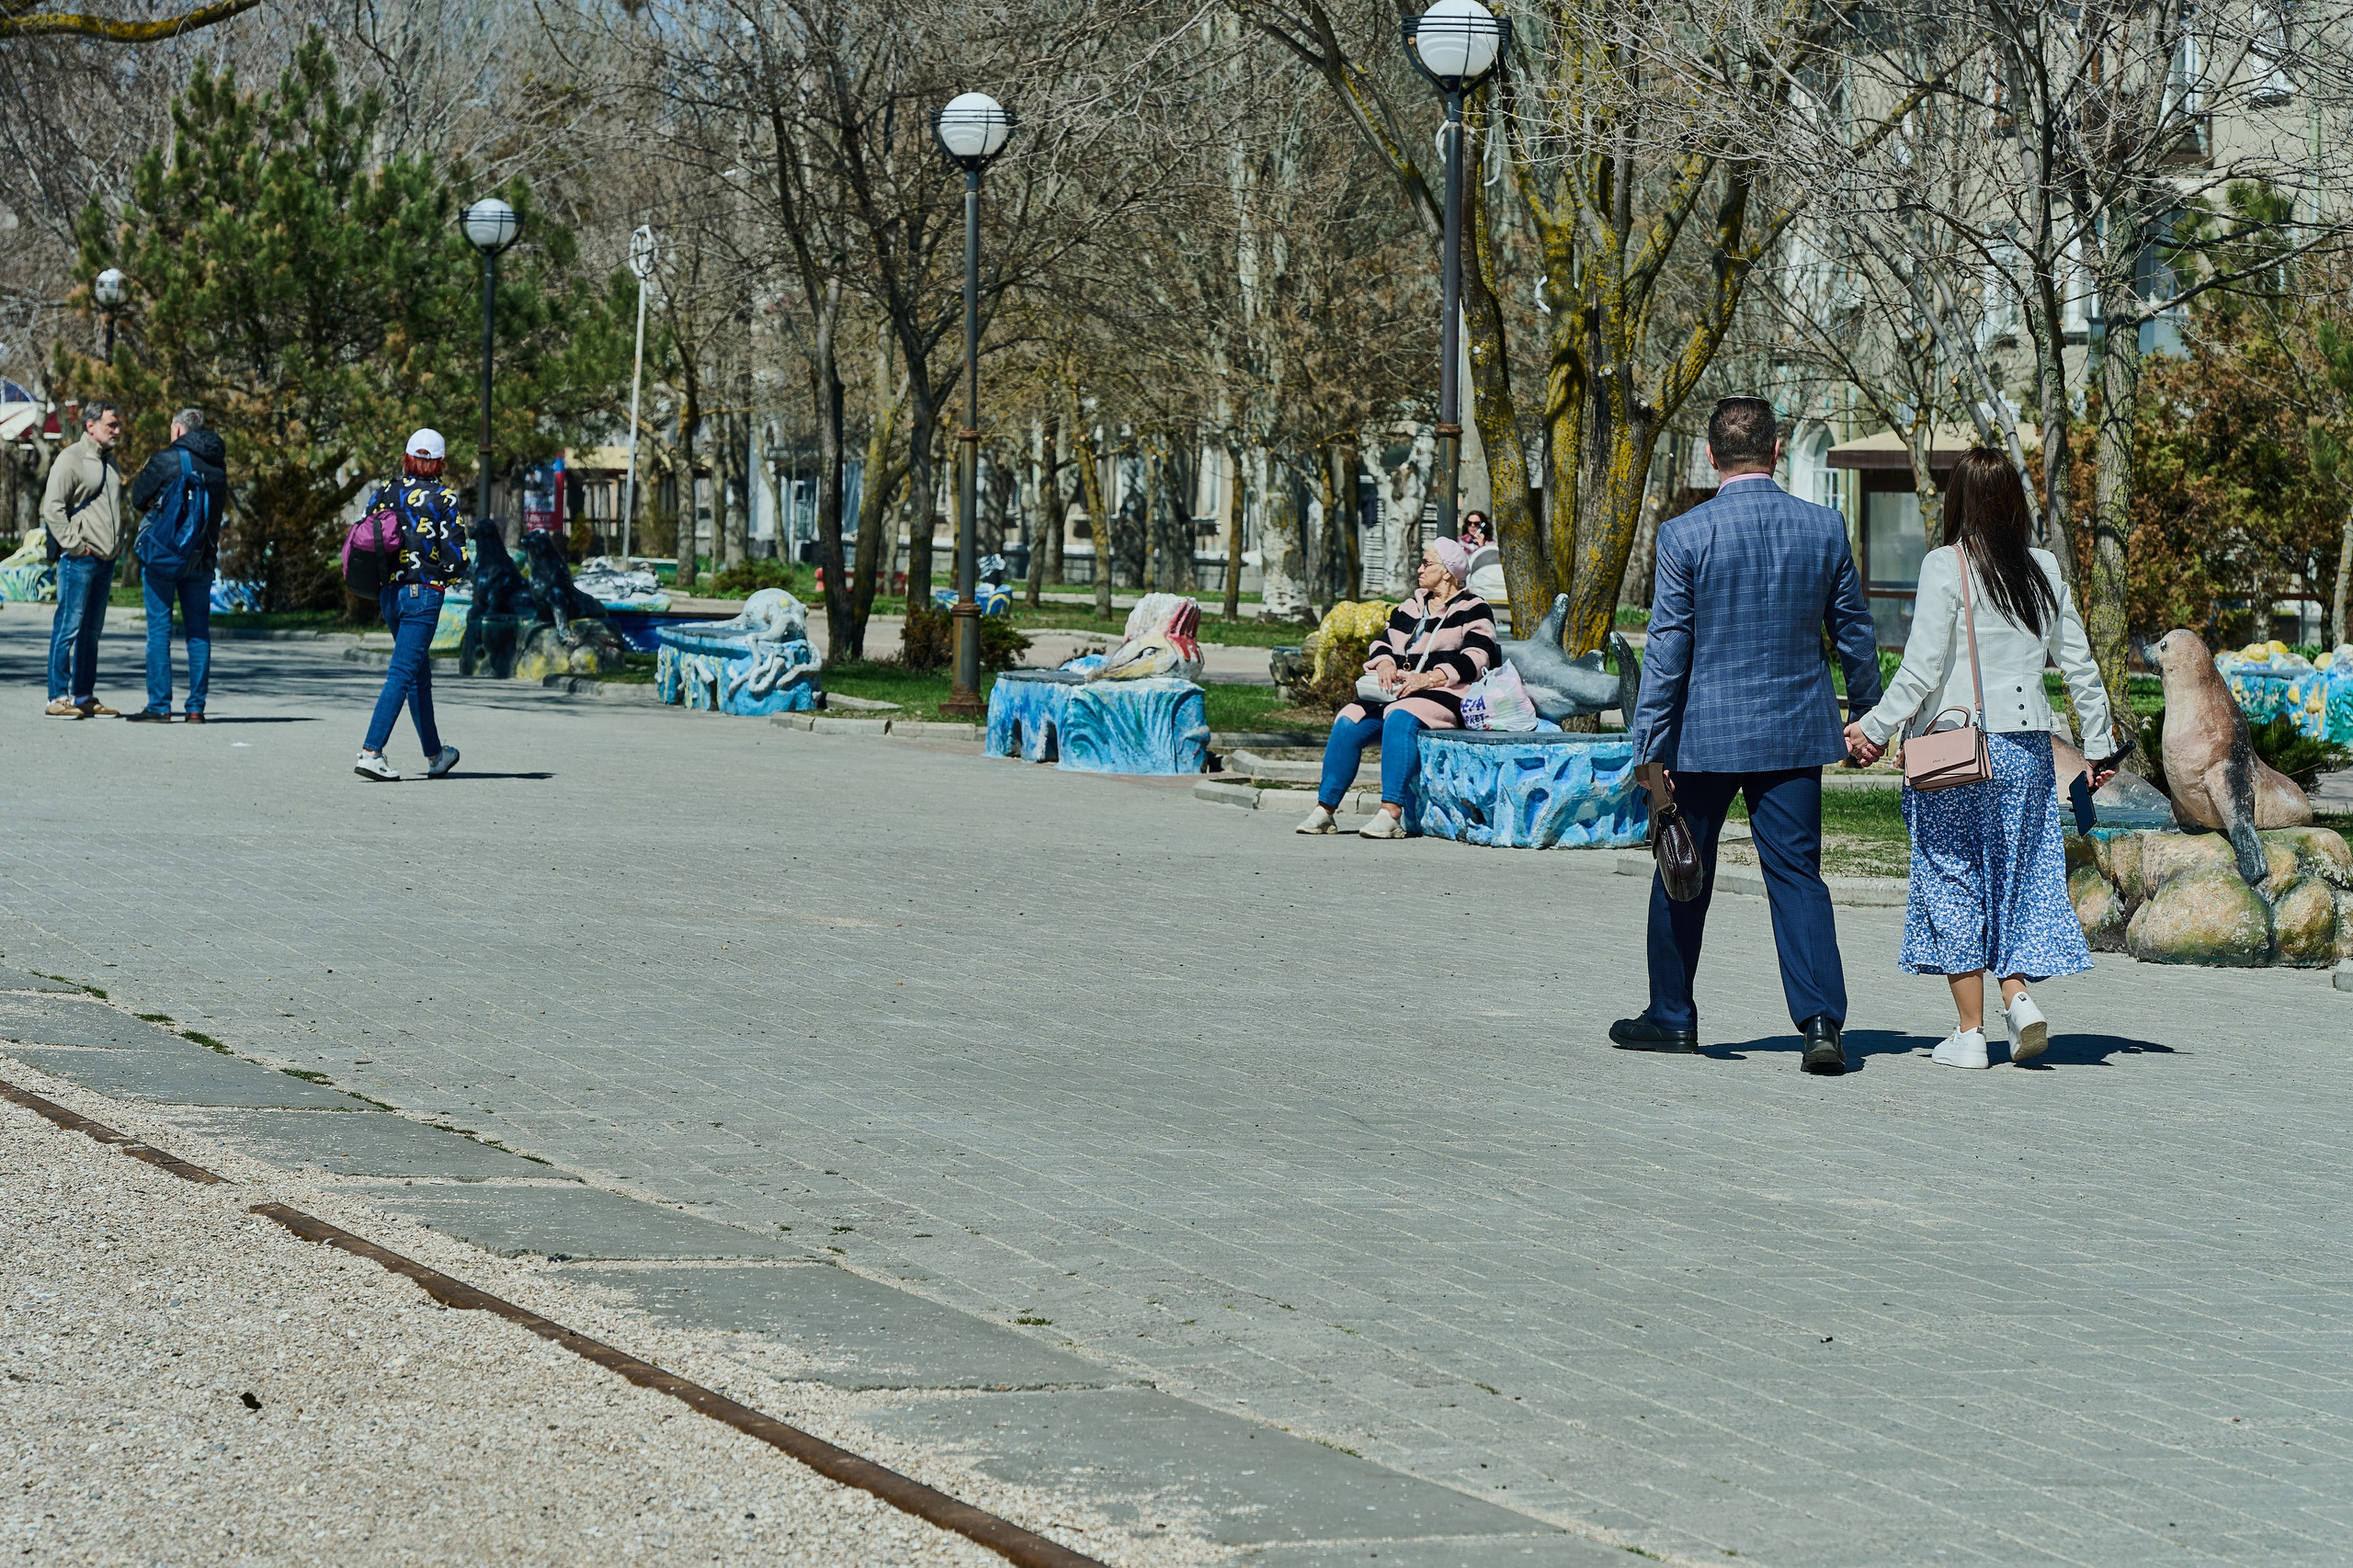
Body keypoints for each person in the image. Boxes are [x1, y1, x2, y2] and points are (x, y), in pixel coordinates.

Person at [1611, 397, 1883, 1074]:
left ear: (1710, 455)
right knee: (1797, 876)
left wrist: (1649, 752)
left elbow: (1668, 651)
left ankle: (1672, 1017)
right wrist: (1870, 717)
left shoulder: (1684, 535)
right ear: (1776, 450)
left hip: (1702, 738)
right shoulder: (1823, 527)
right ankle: (1821, 1023)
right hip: (1794, 733)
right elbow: (1854, 631)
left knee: (1682, 870)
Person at [1845, 448, 2121, 1069]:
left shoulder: (1948, 565)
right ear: (2015, 503)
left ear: (1959, 501)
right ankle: (2018, 997)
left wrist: (1872, 729)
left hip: (1957, 753)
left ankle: (1970, 1034)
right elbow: (2079, 666)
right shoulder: (2045, 568)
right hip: (2026, 751)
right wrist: (2099, 747)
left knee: (1952, 878)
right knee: (2017, 877)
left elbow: (1920, 670)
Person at [1296, 538, 1499, 840]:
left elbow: (1478, 656)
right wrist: (1384, 664)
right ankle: (1325, 810)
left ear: (1447, 571)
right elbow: (1382, 642)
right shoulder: (1412, 606)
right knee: (1348, 719)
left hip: (1448, 694)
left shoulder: (1474, 608)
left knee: (1400, 715)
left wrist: (1430, 678)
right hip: (1398, 691)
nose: (1419, 569)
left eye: (1426, 563)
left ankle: (1391, 812)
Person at [355, 429, 465, 782]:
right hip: (423, 594)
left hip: (389, 594)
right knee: (403, 673)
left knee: (418, 675)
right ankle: (372, 751)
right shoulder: (444, 499)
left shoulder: (385, 492)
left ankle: (435, 755)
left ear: (406, 458)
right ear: (440, 462)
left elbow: (367, 533)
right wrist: (447, 576)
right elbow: (456, 558)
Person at [125, 408, 229, 723]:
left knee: (159, 630)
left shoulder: (165, 460)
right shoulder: (218, 466)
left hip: (164, 557)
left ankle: (159, 705)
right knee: (198, 632)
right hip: (202, 557)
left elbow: (137, 497)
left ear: (178, 430)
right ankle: (196, 707)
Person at [40, 401, 125, 718]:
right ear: (90, 425)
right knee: (68, 627)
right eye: (110, 425)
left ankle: (84, 695)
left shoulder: (110, 461)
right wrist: (76, 546)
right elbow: (53, 509)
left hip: (105, 559)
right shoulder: (71, 458)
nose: (117, 430)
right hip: (80, 559)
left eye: (118, 425)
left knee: (92, 631)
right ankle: (56, 697)